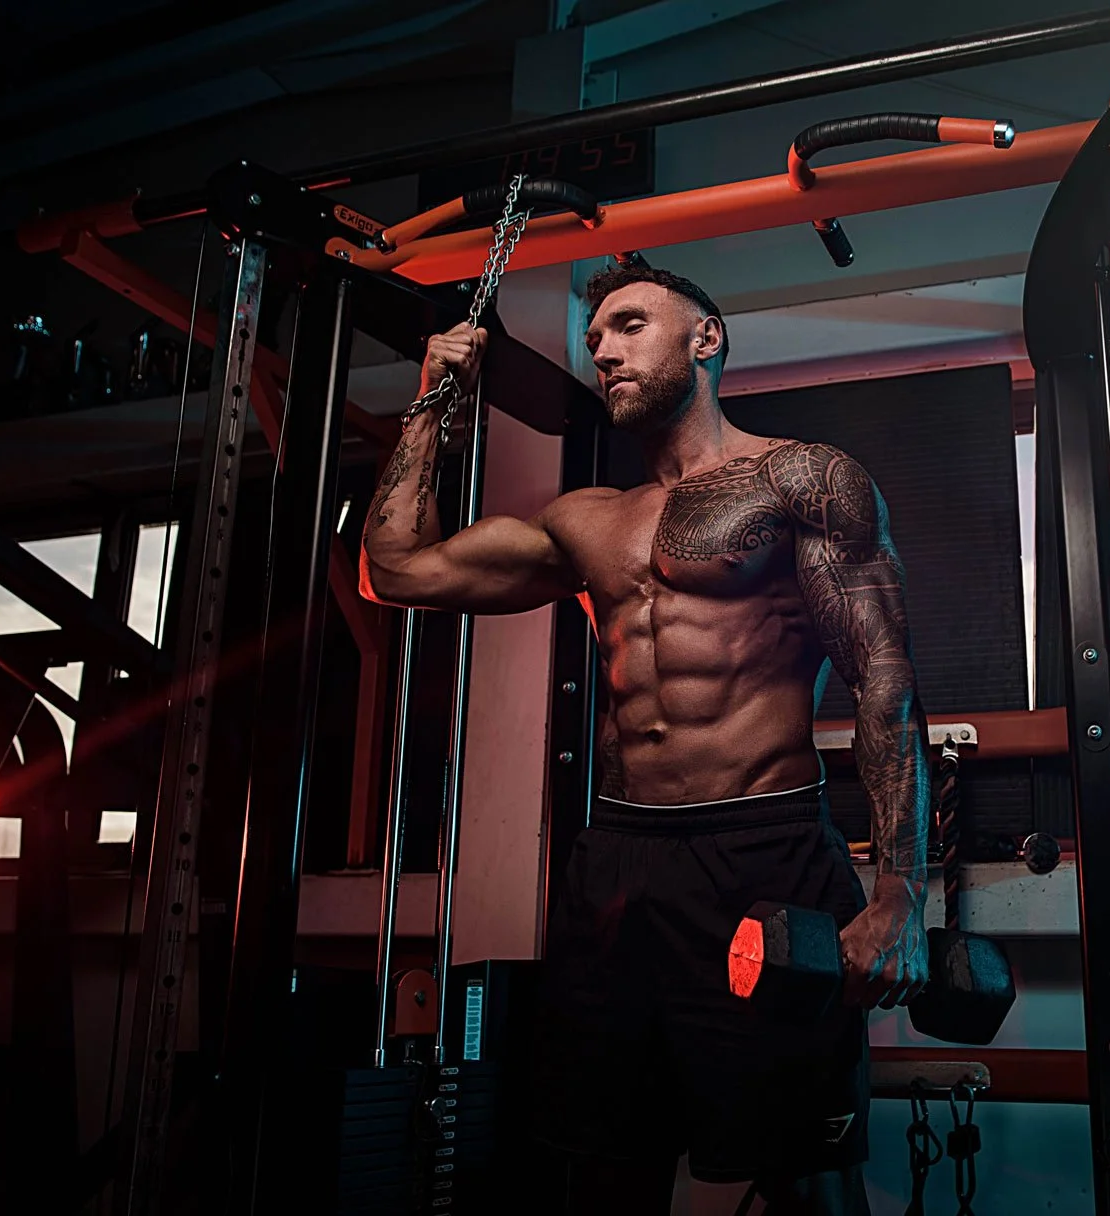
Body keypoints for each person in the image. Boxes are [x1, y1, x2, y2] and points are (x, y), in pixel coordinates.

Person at [359, 264, 930, 1215]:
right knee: (606, 1167)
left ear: (706, 340)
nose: (605, 352)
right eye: (595, 340)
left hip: (767, 853)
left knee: (807, 1178)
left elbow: (885, 680)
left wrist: (901, 888)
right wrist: (432, 401)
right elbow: (397, 570)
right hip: (619, 869)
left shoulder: (803, 479)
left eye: (629, 326)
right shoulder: (587, 521)